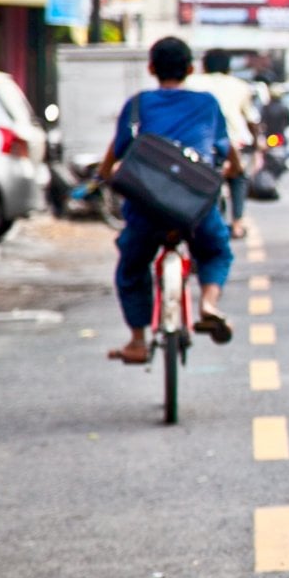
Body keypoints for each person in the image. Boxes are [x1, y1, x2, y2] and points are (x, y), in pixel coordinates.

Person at [97, 37, 237, 364]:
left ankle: (137, 341)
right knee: (216, 250)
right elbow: (224, 147)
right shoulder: (207, 104)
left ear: (151, 68)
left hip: (147, 206)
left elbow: (117, 151)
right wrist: (235, 170)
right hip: (194, 206)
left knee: (132, 266)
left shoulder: (138, 105)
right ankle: (208, 305)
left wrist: (104, 175)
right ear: (190, 69)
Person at [189, 48, 256, 239]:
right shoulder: (240, 86)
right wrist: (257, 142)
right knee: (239, 177)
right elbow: (251, 118)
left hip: (198, 143)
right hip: (232, 141)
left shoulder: (192, 83)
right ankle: (237, 223)